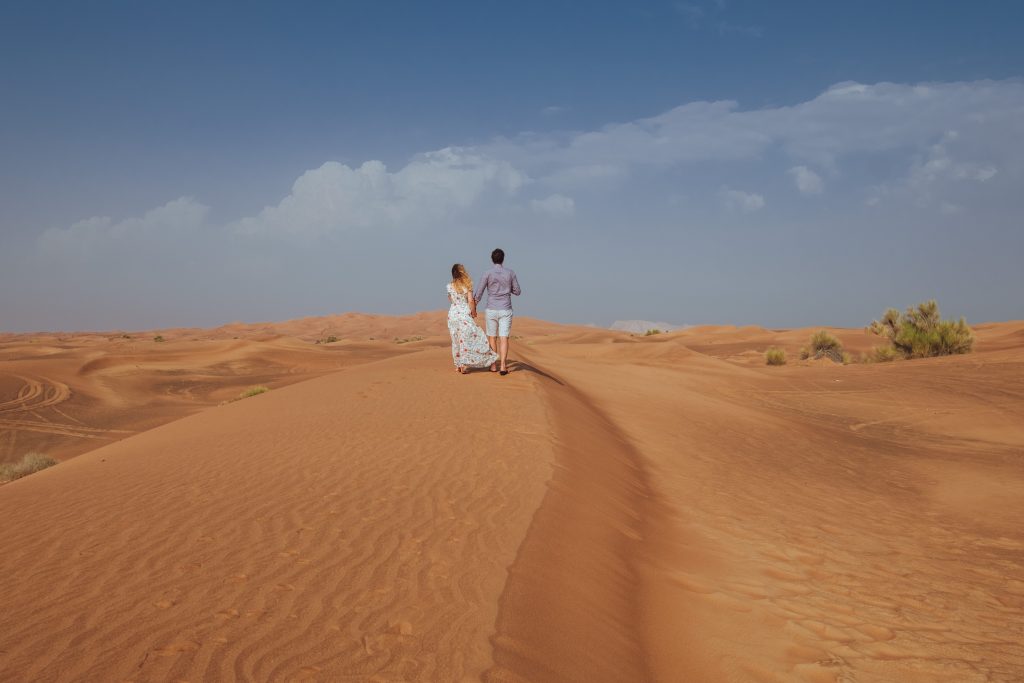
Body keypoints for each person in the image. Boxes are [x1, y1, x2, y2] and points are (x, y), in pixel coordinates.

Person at [474, 248, 521, 376]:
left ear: (492, 259)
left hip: (491, 309)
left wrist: (473, 306)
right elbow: (517, 291)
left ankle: (494, 365)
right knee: (504, 338)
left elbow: (479, 292)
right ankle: (504, 366)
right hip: (505, 308)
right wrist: (507, 287)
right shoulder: (510, 273)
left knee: (492, 337)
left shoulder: (487, 273)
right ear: (503, 259)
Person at [446, 264, 499, 374]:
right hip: (464, 315)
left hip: (453, 315)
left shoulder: (449, 286)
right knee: (469, 339)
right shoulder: (467, 285)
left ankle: (458, 365)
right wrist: (474, 312)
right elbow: (470, 301)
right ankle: (465, 364)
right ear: (463, 272)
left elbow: (450, 299)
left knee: (456, 340)